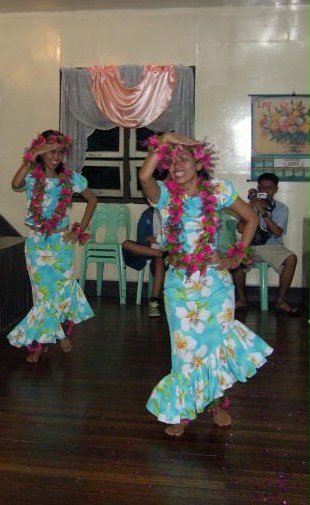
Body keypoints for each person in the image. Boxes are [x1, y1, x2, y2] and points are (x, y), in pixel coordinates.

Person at [139, 132, 273, 437]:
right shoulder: (164, 196)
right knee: (185, 351)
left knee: (215, 345)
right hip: (180, 285)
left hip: (215, 285)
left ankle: (217, 402)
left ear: (198, 164)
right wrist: (166, 141)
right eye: (171, 163)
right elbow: (144, 174)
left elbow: (251, 219)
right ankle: (183, 411)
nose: (176, 167)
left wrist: (236, 257)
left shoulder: (217, 190)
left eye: (183, 159)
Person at [8, 130, 98, 363]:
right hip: (37, 244)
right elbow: (14, 184)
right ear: (40, 152)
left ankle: (50, 337)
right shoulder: (31, 177)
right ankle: (44, 343)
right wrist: (31, 157)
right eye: (50, 151)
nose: (55, 156)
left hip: (61, 243)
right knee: (42, 295)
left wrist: (79, 229)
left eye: (59, 152)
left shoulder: (71, 178)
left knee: (60, 291)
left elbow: (92, 199)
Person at [231, 172, 299, 315]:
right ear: (257, 188)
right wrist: (251, 207)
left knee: (291, 258)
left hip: (272, 247)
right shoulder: (250, 206)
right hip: (252, 246)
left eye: (269, 188)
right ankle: (242, 299)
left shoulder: (281, 208)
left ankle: (280, 301)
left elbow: (277, 232)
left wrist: (263, 212)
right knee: (235, 255)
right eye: (262, 188)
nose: (265, 191)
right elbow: (241, 229)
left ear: (276, 190)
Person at [122, 206, 166, 317]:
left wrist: (156, 239)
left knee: (160, 260)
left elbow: (175, 239)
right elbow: (142, 239)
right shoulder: (147, 214)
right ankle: (162, 254)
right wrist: (150, 242)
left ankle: (154, 301)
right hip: (147, 250)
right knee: (126, 244)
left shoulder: (174, 213)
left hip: (164, 251)